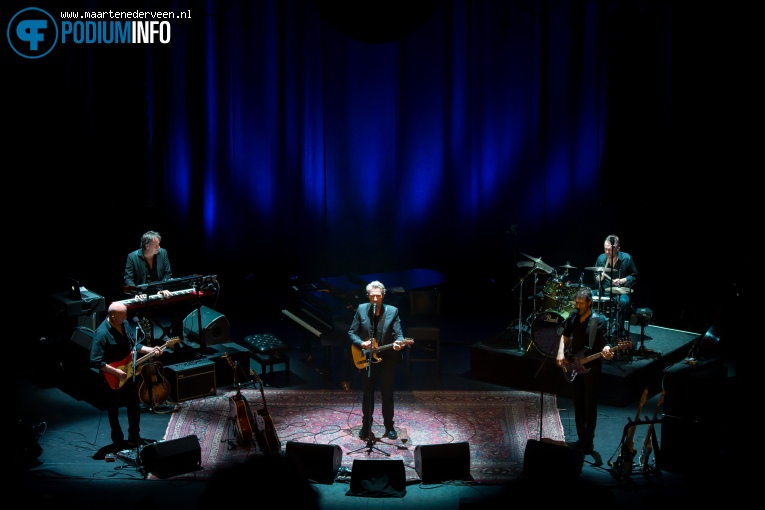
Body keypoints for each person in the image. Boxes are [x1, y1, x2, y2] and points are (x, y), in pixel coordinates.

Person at [90, 301, 164, 449]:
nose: (126, 316)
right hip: (111, 377)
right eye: (123, 314)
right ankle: (118, 441)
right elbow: (95, 361)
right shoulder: (101, 333)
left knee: (134, 406)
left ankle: (133, 438)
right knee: (114, 410)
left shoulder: (124, 325)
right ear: (112, 316)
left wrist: (151, 350)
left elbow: (133, 346)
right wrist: (116, 372)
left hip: (128, 374)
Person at [556, 287, 613, 454]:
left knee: (589, 404)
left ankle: (589, 441)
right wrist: (561, 352)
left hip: (591, 367)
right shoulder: (573, 317)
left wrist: (608, 351)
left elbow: (606, 342)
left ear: (589, 303)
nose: (578, 305)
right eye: (577, 302)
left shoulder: (598, 320)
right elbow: (564, 336)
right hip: (575, 364)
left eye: (581, 303)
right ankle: (581, 438)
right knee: (578, 402)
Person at [348, 280, 407, 440]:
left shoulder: (393, 311)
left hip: (387, 357)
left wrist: (399, 344)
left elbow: (399, 334)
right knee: (368, 393)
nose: (375, 300)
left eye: (378, 296)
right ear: (368, 296)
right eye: (372, 296)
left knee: (387, 393)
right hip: (367, 358)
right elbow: (352, 332)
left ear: (383, 296)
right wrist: (362, 343)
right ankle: (366, 425)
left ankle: (389, 425)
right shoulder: (361, 309)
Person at [593, 234, 638, 337]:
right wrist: (599, 278)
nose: (607, 252)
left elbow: (634, 276)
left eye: (610, 250)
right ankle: (593, 327)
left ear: (618, 248)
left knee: (623, 302)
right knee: (588, 295)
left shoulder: (627, 258)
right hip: (604, 290)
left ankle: (618, 330)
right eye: (605, 249)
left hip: (621, 291)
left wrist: (623, 280)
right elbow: (595, 276)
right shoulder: (601, 258)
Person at [124, 230, 173, 298]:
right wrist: (137, 292)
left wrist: (163, 288)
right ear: (147, 246)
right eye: (156, 245)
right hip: (141, 294)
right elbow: (128, 278)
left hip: (161, 291)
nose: (159, 247)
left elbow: (168, 273)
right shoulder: (132, 257)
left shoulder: (163, 252)